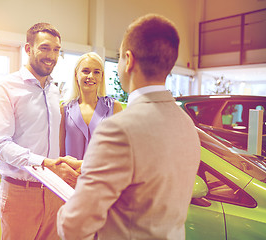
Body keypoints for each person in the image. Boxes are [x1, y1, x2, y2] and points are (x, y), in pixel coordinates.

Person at [57, 14, 201, 240]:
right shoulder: (186, 125)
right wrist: (88, 166)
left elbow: (75, 225)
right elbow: (145, 172)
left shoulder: (118, 129)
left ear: (128, 60)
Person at [0, 22, 79, 240]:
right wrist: (45, 163)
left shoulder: (54, 90)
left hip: (54, 191)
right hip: (21, 192)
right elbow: (1, 146)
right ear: (28, 49)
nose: (52, 56)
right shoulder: (5, 87)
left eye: (57, 50)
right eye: (45, 48)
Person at [60, 52, 123, 161]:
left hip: (102, 176)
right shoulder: (64, 109)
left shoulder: (114, 107)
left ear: (101, 76)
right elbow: (60, 152)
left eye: (96, 72)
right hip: (70, 176)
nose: (91, 76)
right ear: (76, 74)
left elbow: (120, 150)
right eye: (85, 71)